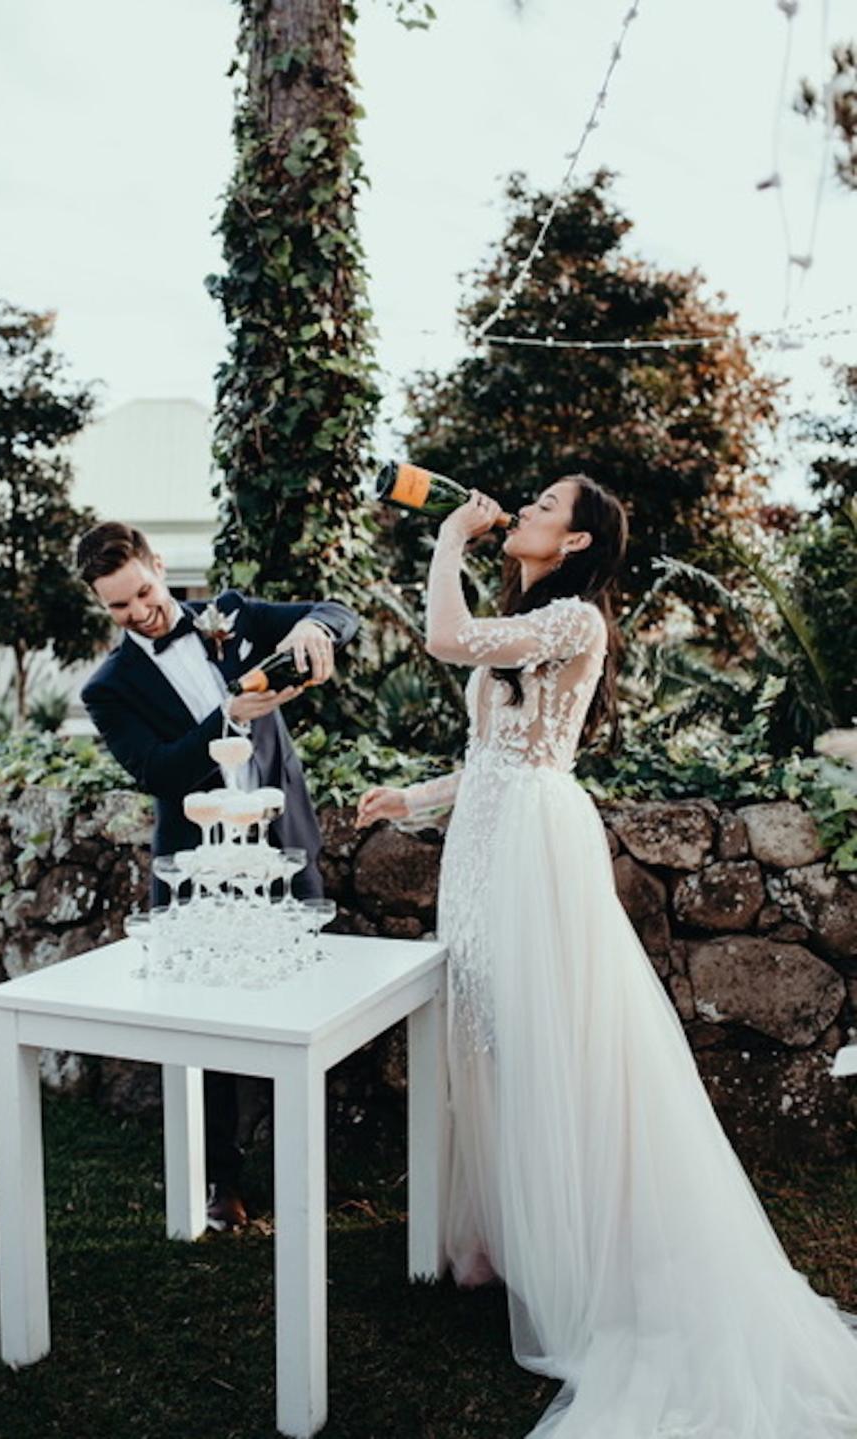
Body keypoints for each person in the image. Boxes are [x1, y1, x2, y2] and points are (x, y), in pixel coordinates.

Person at [357, 478, 857, 1438]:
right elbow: (493, 753)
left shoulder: (578, 620)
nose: (522, 510)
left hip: (535, 851)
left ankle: (585, 1264)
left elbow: (445, 639)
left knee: (550, 1045)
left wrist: (449, 540)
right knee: (488, 1039)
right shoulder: (533, 617)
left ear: (576, 537)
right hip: (483, 842)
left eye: (542, 504)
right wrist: (411, 800)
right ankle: (510, 1243)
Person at [77, 521, 358, 1232]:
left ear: (159, 566)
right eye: (118, 607)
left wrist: (317, 633)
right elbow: (160, 769)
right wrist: (226, 711)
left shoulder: (229, 616)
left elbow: (339, 611)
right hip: (197, 867)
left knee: (306, 1006)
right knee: (208, 1027)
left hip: (283, 843)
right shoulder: (108, 688)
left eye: (142, 591)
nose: (139, 611)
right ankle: (222, 1182)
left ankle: (307, 1166)